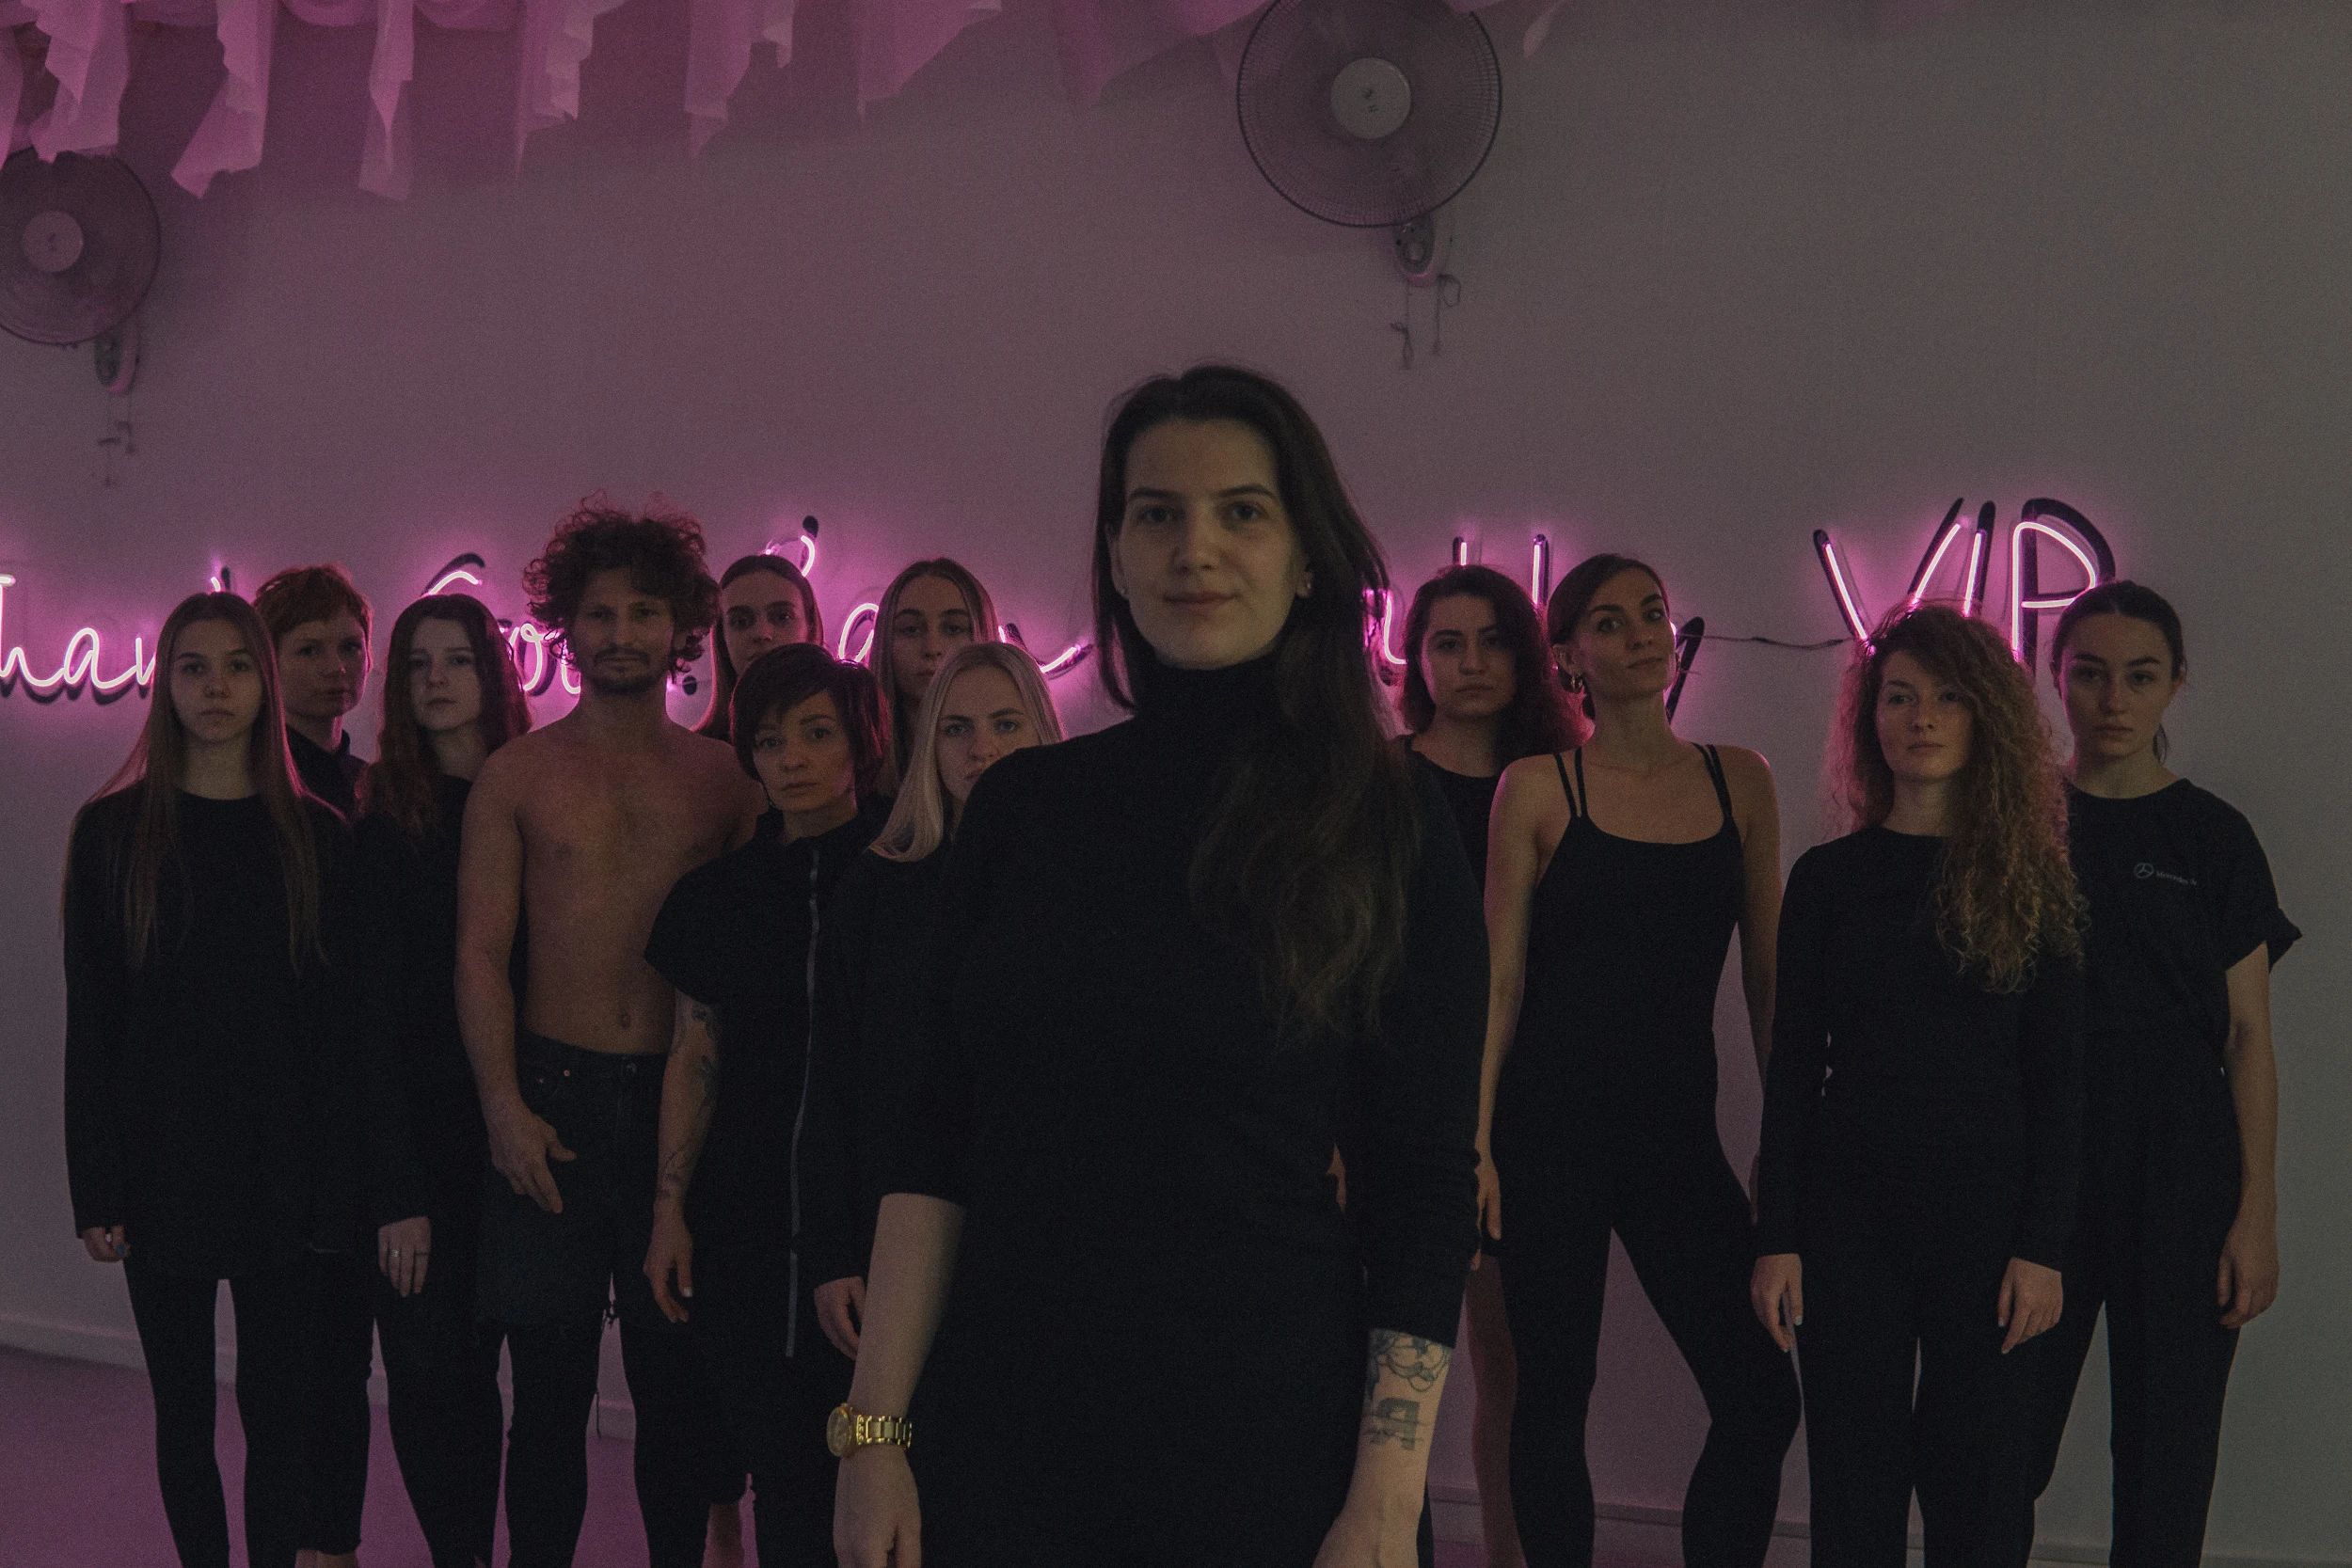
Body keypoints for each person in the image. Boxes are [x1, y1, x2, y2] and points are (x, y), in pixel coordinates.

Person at [831, 366, 1488, 1568]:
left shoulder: (1386, 815)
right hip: (1003, 1437)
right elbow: (934, 1142)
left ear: (1306, 557)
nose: (1196, 549)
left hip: (1267, 1447)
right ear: (1116, 555)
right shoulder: (1024, 808)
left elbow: (1424, 1185)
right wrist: (872, 1433)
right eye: (1156, 513)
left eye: (1242, 511)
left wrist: (1386, 1501)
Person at [456, 499, 765, 1568]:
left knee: (674, 1390)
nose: (621, 631)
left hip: (682, 1103)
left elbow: (751, 967)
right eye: (600, 612)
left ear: (680, 625)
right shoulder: (518, 774)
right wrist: (503, 1105)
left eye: (642, 611)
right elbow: (479, 953)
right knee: (547, 1394)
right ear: (566, 625)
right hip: (551, 1098)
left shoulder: (727, 779)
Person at [1476, 554, 1799, 1568]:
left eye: (1652, 613)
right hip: (1548, 1135)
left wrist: (1786, 1148)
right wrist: (1473, 1142)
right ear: (1569, 657)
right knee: (1553, 1392)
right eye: (1610, 622)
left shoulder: (1739, 779)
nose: (1641, 635)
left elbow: (1768, 984)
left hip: (1674, 1140)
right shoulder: (1538, 786)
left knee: (1760, 1391)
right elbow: (1499, 983)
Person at [1751, 604, 2084, 1567]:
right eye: (1899, 696)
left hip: (1990, 1220)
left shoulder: (2031, 882)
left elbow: (2061, 1082)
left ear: (1985, 717)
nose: (1921, 717)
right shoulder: (1827, 879)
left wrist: (2043, 1246)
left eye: (1946, 697)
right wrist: (1776, 1235)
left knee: (1980, 1483)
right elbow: (1791, 1068)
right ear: (1871, 717)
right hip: (1847, 1215)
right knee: (1853, 1476)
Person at [62, 592, 359, 1568]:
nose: (216, 687)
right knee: (183, 1412)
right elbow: (94, 1025)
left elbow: (335, 1038)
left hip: (283, 1172)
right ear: (166, 685)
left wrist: (336, 1185)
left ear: (264, 684)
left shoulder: (316, 836)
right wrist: (97, 1185)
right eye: (194, 667)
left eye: (236, 666)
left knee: (281, 1415)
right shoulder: (112, 833)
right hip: (160, 1170)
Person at [2019, 582, 2296, 1564]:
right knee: (2002, 1441)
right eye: (2090, 674)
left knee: (2167, 1455)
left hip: (2181, 1166)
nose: (2113, 700)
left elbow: (2248, 1036)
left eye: (2139, 677)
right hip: (2039, 1160)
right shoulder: (2018, 822)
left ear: (2176, 681)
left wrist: (2255, 1212)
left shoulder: (2212, 836)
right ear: (2056, 678)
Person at [641, 644, 890, 1565]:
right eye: (772, 739)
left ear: (860, 741)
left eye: (816, 734)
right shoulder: (717, 895)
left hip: (878, 1216)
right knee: (781, 1468)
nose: (792, 758)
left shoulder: (907, 878)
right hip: (742, 1216)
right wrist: (668, 1209)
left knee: (881, 1453)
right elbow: (692, 1052)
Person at [801, 640, 1066, 1365]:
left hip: (1044, 1221)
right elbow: (832, 1080)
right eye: (957, 728)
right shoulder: (878, 888)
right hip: (900, 1218)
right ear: (930, 746)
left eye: (1006, 723)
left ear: (1044, 730)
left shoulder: (1085, 889)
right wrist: (831, 1249)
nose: (983, 748)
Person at [1392, 563, 1577, 1568]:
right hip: (1393, 1094)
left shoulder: (1559, 779)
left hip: (1520, 1099)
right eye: (1447, 642)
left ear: (1527, 653)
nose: (1470, 662)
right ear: (1415, 659)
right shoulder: (1379, 783)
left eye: (1492, 639)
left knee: (1509, 1365)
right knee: (1391, 1362)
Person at [355, 593, 533, 1568]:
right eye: (418, 663)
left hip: (531, 1134)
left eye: (456, 659)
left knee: (535, 1393)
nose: (436, 680)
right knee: (434, 1382)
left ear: (493, 673)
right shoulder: (382, 823)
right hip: (424, 1153)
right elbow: (371, 1023)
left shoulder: (539, 798)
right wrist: (397, 1190)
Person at [254, 564, 374, 817]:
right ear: (267, 663)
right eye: (309, 650)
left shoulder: (373, 788)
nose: (336, 668)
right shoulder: (249, 785)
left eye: (350, 647)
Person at [867, 559, 998, 790]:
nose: (932, 648)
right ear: (885, 642)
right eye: (910, 630)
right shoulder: (854, 768)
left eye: (953, 629)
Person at [695, 551, 825, 742]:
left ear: (810, 627)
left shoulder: (852, 733)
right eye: (741, 621)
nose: (762, 633)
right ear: (723, 638)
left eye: (782, 617)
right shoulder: (697, 753)